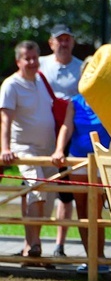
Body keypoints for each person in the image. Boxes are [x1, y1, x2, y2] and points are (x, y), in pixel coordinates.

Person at [51, 57, 111, 274]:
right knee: (82, 211)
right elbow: (66, 128)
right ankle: (89, 258)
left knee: (95, 211)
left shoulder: (107, 100)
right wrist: (59, 150)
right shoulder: (75, 102)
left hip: (99, 161)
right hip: (77, 160)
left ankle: (100, 258)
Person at [0, 40, 56, 260]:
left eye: (35, 58)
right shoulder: (11, 85)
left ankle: (29, 246)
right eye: (27, 58)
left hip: (49, 150)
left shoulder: (42, 80)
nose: (32, 62)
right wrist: (4, 148)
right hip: (24, 148)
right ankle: (35, 245)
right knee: (37, 187)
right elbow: (5, 120)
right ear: (18, 61)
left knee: (45, 197)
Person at [39, 23, 83, 258]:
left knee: (65, 192)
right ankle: (32, 244)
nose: (64, 43)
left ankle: (59, 245)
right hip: (43, 133)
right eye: (60, 39)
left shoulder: (81, 68)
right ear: (51, 42)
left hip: (69, 135)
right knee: (35, 186)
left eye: (68, 39)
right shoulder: (41, 66)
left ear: (73, 42)